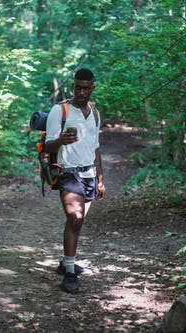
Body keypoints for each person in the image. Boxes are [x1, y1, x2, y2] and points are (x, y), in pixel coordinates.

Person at [45, 68, 106, 293]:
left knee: (76, 222)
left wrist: (100, 179)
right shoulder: (59, 110)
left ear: (92, 88)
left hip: (90, 174)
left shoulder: (95, 113)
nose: (81, 91)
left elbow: (96, 148)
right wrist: (60, 140)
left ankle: (65, 262)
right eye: (77, 87)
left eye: (85, 88)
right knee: (75, 218)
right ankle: (69, 274)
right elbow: (48, 145)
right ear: (73, 86)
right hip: (68, 173)